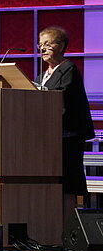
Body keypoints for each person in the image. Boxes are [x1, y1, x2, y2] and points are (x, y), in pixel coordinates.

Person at [35, 26, 95, 218]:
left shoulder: (68, 69)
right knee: (51, 180)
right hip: (48, 137)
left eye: (47, 44)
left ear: (60, 46)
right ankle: (50, 224)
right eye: (40, 44)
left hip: (68, 136)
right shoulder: (42, 76)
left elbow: (62, 97)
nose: (42, 48)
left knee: (67, 182)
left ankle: (68, 227)